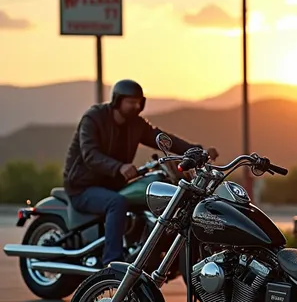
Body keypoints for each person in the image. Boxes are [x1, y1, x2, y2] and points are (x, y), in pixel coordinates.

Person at [63, 79, 218, 265]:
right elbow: (90, 154)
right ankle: (112, 263)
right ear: (117, 100)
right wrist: (118, 167)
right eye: (130, 101)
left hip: (113, 185)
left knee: (147, 197)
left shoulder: (136, 124)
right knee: (117, 203)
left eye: (139, 102)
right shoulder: (94, 118)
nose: (136, 106)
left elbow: (162, 139)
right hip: (83, 187)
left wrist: (195, 150)